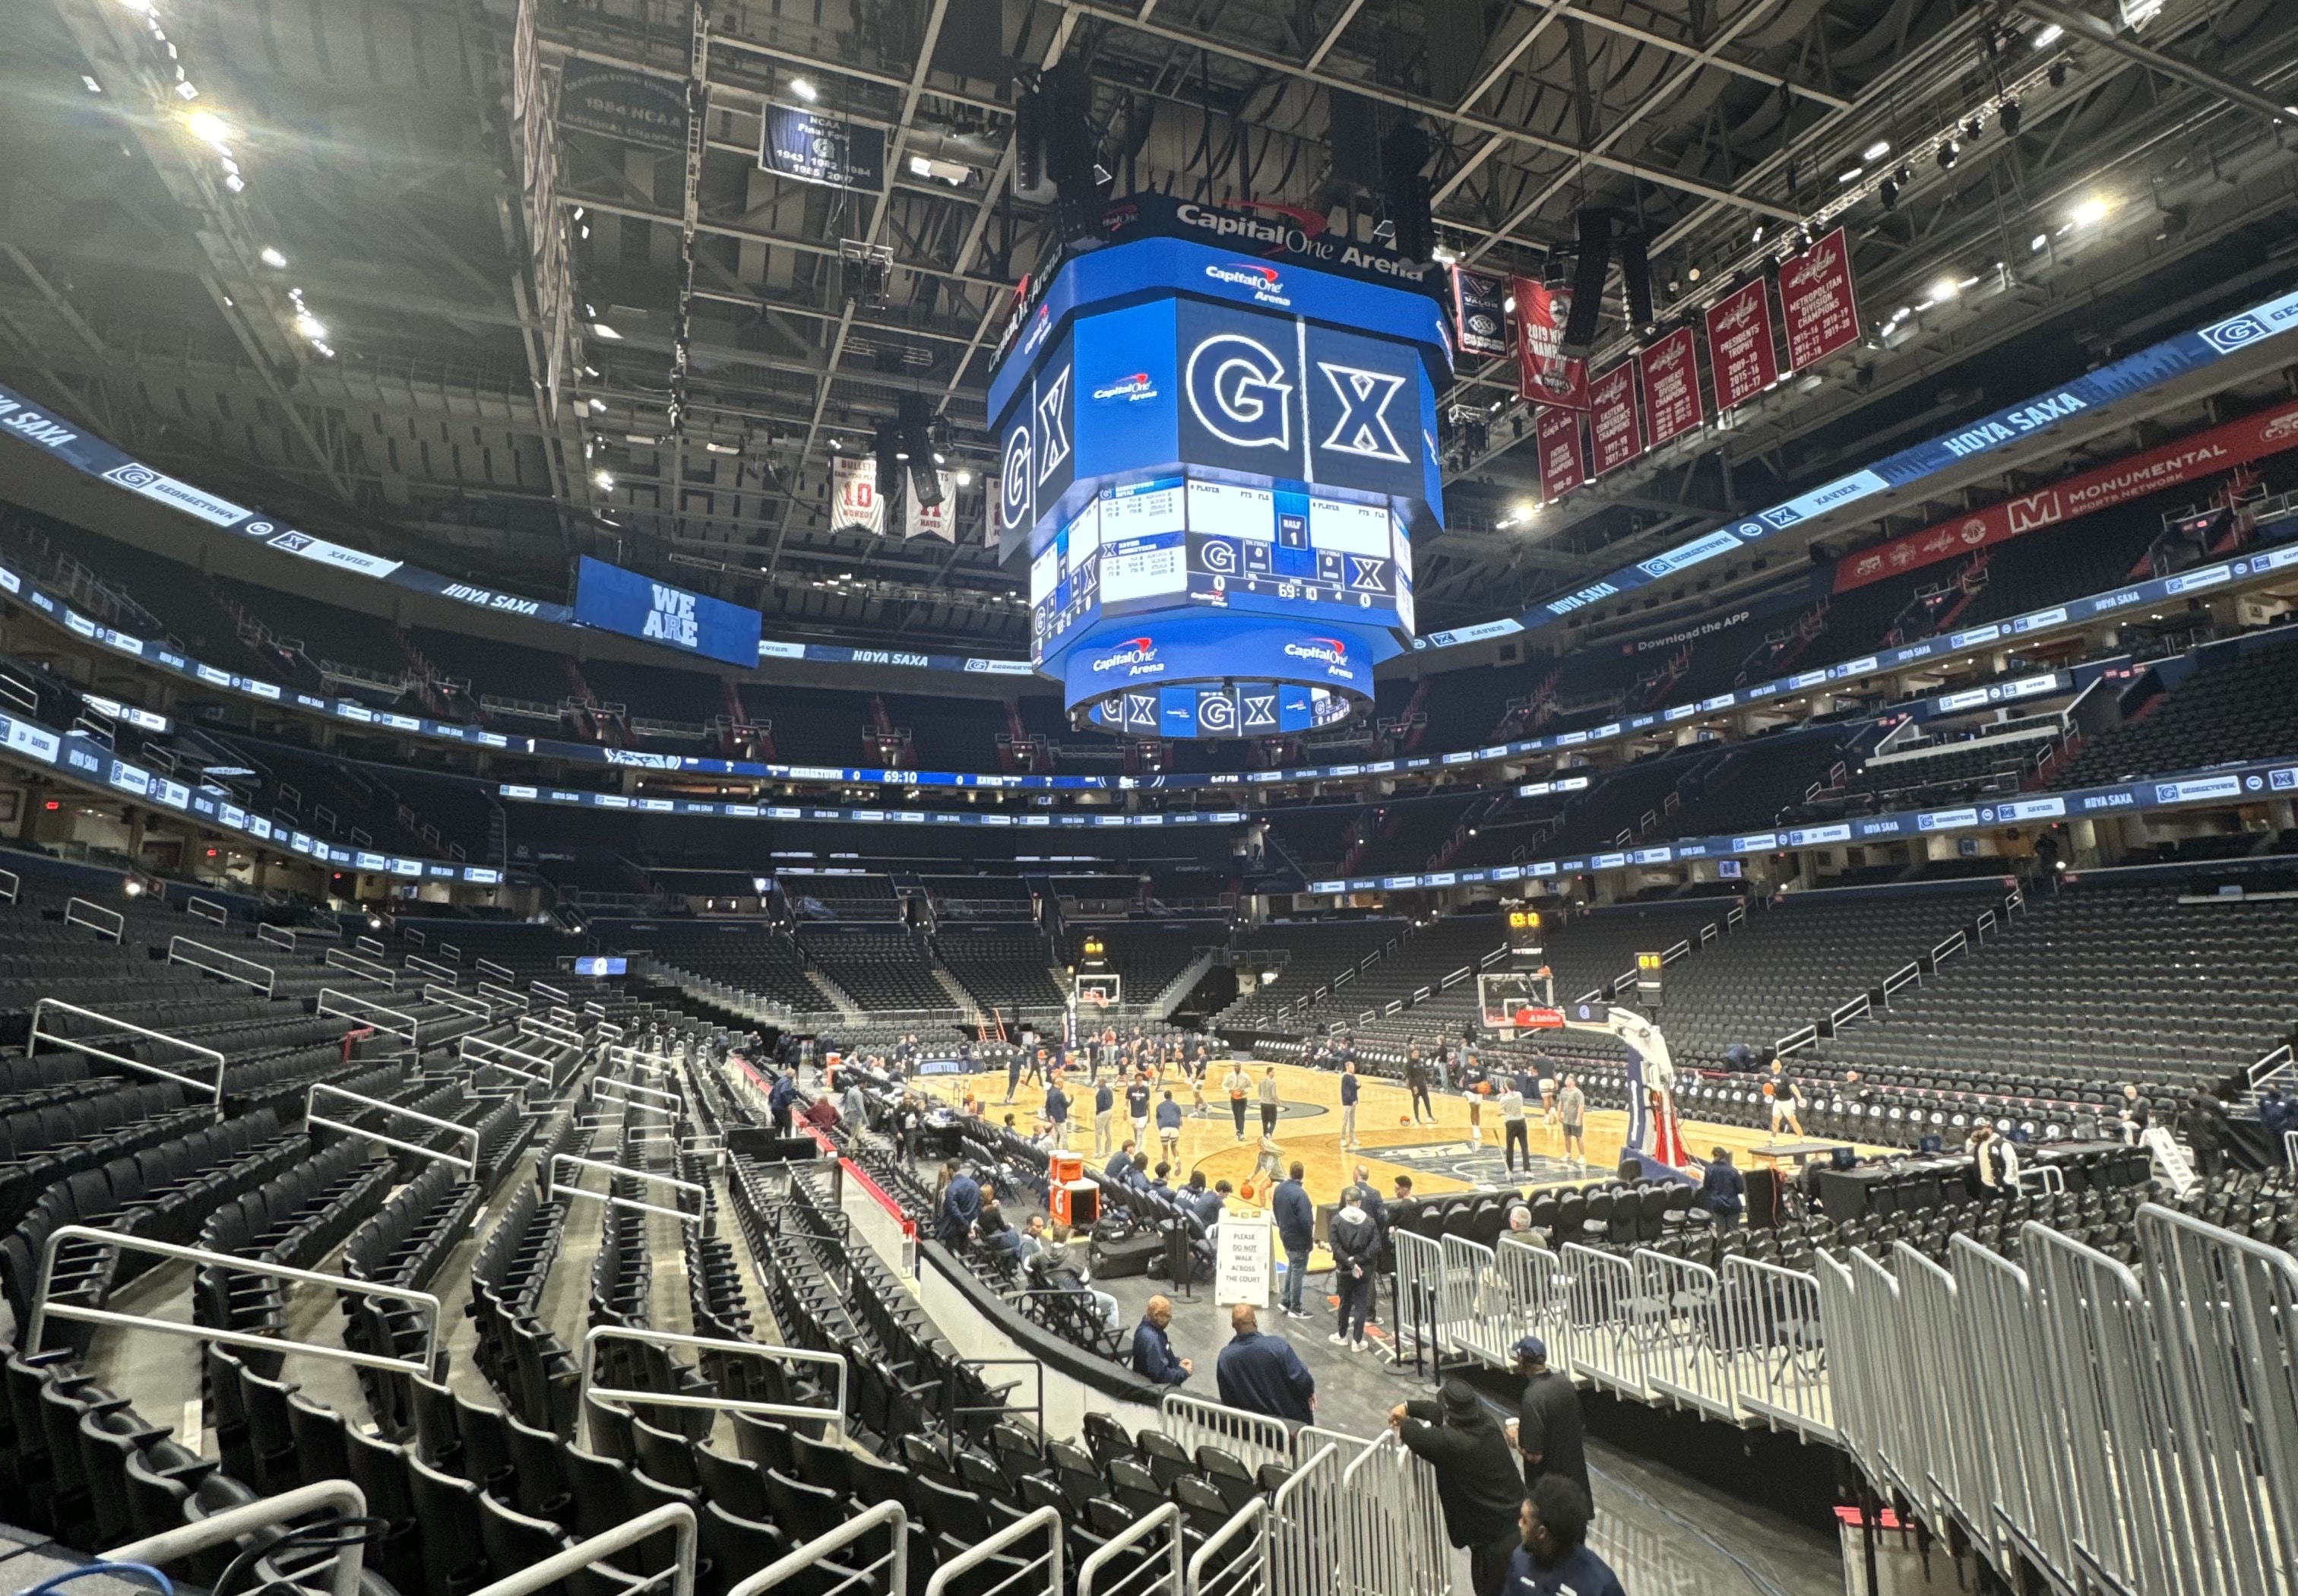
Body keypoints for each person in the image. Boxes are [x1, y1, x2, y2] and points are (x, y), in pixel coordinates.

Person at [1389, 1382, 1524, 1596]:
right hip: (1518, 1528)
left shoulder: (1456, 1443)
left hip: (1495, 1546)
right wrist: (1409, 1406)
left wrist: (1403, 1422)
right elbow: (1439, 1413)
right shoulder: (1487, 1424)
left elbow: (1416, 1435)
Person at [1502, 1479, 1622, 1596]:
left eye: (1525, 1520)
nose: (1519, 1523)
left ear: (1542, 1533)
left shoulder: (1601, 1586)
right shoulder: (1519, 1560)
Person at [1507, 1335, 1587, 1500]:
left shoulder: (1532, 1397)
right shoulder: (1564, 1383)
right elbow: (1580, 1424)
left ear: (1521, 1359)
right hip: (1576, 1489)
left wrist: (1515, 1440)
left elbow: (1534, 1456)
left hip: (1549, 1495)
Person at [1215, 1303, 1315, 1423]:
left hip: (1252, 1430)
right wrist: (1309, 1392)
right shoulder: (1277, 1347)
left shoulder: (1225, 1358)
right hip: (1289, 1425)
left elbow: (1227, 1399)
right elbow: (1301, 1379)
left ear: (1233, 1325)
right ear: (1255, 1322)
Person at [1328, 1186, 1378, 1351]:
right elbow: (1375, 1245)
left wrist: (1350, 1261)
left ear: (1346, 1201)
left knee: (1345, 1301)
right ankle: (1357, 1341)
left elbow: (1335, 1245)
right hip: (1364, 1268)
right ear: (1359, 1202)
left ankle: (1342, 1336)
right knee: (1361, 1303)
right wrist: (1359, 1259)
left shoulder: (1336, 1220)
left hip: (1345, 1268)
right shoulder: (1370, 1221)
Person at [1273, 1161, 1315, 1318]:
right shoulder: (1301, 1195)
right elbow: (1306, 1221)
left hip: (1285, 1235)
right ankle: (1296, 1308)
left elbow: (1275, 1209)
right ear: (1302, 1175)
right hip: (1298, 1239)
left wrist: (1282, 1227)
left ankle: (1285, 1301)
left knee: (1292, 1266)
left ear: (1290, 1172)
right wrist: (1309, 1240)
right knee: (1298, 1270)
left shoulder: (1280, 1188)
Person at [1132, 1294, 1192, 1385]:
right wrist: (1184, 1372)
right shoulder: (1153, 1340)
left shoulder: (1144, 1328)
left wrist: (1178, 1363)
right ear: (1156, 1315)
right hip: (1155, 1391)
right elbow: (1161, 1376)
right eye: (1167, 1316)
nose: (1169, 1320)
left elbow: (1162, 1359)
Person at [1697, 1147, 1746, 1227]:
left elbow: (1706, 1187)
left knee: (1721, 1232)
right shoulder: (1733, 1170)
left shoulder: (1709, 1169)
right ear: (1725, 1157)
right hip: (1733, 1205)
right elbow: (1741, 1189)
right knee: (1733, 1233)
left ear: (1714, 1156)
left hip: (1718, 1206)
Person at [937, 1164, 982, 1248]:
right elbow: (979, 1205)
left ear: (951, 1170)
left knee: (952, 1253)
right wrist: (969, 1221)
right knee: (963, 1250)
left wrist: (964, 1223)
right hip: (967, 1225)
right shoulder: (974, 1184)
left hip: (954, 1227)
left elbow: (952, 1210)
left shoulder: (951, 1189)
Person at [1556, 1075, 1586, 1167]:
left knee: (1578, 1137)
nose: (1566, 1080)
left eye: (1568, 1079)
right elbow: (1561, 1102)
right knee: (1567, 1136)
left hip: (1575, 1119)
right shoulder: (1563, 1091)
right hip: (1566, 1118)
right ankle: (1568, 1154)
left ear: (1573, 1082)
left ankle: (1582, 1156)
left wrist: (1578, 1118)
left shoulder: (1578, 1093)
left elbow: (1581, 1106)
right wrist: (1559, 1113)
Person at [1500, 1079, 1530, 1173]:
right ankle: (1527, 1169)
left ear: (1507, 1087)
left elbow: (1502, 1108)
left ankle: (1510, 1168)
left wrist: (1503, 1094)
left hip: (1511, 1122)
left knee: (1510, 1147)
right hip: (1521, 1121)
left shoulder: (1504, 1098)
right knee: (1524, 1147)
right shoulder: (1519, 1095)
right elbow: (1520, 1104)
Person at [1224, 1062, 1254, 1141]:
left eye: (1238, 1067)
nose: (1236, 1068)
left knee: (1241, 1114)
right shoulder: (1230, 1076)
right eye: (1235, 1067)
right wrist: (1229, 1090)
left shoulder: (1245, 1076)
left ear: (1240, 1067)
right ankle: (1238, 1130)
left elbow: (1251, 1086)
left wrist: (1244, 1091)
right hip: (1233, 1098)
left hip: (1242, 1098)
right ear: (1234, 1067)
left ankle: (1241, 1133)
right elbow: (1224, 1085)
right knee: (1236, 1114)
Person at [1156, 1090, 1184, 1164]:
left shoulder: (1159, 1106)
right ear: (1171, 1096)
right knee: (1174, 1147)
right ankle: (1177, 1161)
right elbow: (1181, 1121)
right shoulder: (1177, 1106)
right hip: (1174, 1128)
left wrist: (1160, 1127)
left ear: (1164, 1097)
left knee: (1165, 1149)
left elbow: (1158, 1119)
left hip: (1164, 1128)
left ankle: (1165, 1166)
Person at [1406, 1052, 1435, 1124]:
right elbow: (1409, 1076)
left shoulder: (1420, 1061)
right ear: (1411, 1054)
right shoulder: (1409, 1064)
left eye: (1417, 1053)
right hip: (1415, 1086)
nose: (1416, 1054)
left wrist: (1428, 1082)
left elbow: (1424, 1073)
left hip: (1423, 1085)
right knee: (1416, 1102)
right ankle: (1417, 1119)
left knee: (1427, 1101)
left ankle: (1430, 1116)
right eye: (1415, 1053)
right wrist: (1414, 1086)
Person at [1127, 1073, 1153, 1149]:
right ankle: (1137, 1143)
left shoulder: (1146, 1089)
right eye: (1138, 1080)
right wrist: (1125, 1112)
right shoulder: (1131, 1089)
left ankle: (1138, 1149)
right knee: (1136, 1132)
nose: (1140, 1081)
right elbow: (1127, 1101)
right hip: (1133, 1114)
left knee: (1140, 1133)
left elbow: (1148, 1103)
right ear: (1135, 1080)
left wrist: (1149, 1116)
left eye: (1141, 1080)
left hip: (1143, 1115)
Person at [1043, 1078, 1070, 1149]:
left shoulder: (1050, 1092)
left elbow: (1047, 1106)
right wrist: (1071, 1101)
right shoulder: (1060, 1093)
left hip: (1052, 1119)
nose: (1063, 1085)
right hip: (1060, 1118)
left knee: (1054, 1137)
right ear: (1060, 1083)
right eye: (1063, 1083)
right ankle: (1066, 1152)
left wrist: (1049, 1116)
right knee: (1064, 1137)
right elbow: (1066, 1105)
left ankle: (1055, 1151)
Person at [1094, 1073, 1116, 1156]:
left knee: (1098, 1133)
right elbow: (1112, 1101)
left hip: (1102, 1112)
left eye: (1099, 1081)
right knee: (1108, 1133)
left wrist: (1098, 1113)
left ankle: (1099, 1152)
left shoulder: (1100, 1091)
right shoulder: (1109, 1090)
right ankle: (1108, 1151)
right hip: (1109, 1111)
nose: (1098, 1083)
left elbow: (1099, 1104)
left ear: (1102, 1082)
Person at [1339, 1061, 1360, 1148]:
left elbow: (1356, 1086)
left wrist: (1359, 1085)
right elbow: (1346, 1091)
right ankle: (1342, 1139)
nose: (1353, 1068)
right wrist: (1351, 1100)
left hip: (1354, 1101)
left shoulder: (1353, 1077)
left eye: (1353, 1067)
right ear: (1347, 1067)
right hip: (1348, 1102)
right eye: (1351, 1067)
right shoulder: (1345, 1077)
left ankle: (1352, 1138)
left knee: (1352, 1121)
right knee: (1345, 1121)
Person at [1258, 1067, 1282, 1137]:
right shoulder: (1272, 1082)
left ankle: (1265, 1134)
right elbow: (1273, 1094)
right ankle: (1269, 1134)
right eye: (1273, 1072)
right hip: (1271, 1104)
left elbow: (1259, 1093)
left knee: (1265, 1121)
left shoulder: (1261, 1081)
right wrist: (1278, 1102)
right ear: (1270, 1072)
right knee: (1273, 1122)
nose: (1274, 1074)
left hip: (1263, 1103)